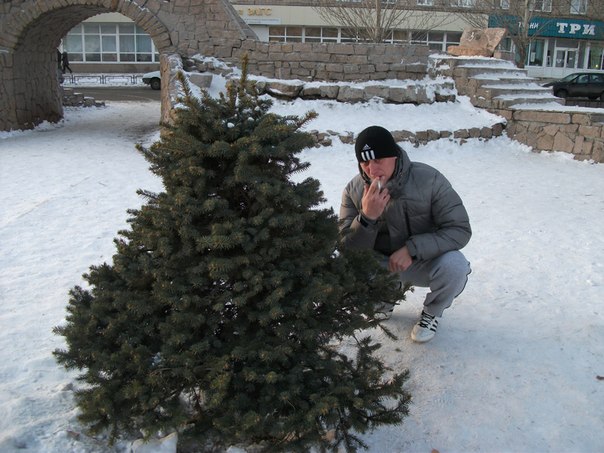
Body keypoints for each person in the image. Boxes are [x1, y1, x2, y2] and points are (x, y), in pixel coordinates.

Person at [339, 125, 472, 343]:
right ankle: (383, 298)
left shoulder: (429, 179)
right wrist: (366, 217)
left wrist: (413, 249)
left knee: (455, 265)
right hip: (380, 266)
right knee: (339, 262)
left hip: (422, 262)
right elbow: (347, 249)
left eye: (378, 160)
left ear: (394, 155)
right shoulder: (353, 190)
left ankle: (432, 313)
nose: (372, 169)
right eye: (365, 162)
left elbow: (459, 229)